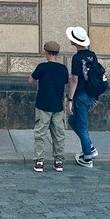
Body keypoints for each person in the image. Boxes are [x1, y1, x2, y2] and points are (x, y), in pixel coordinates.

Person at [29, 40, 68, 173]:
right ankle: (59, 161)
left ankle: (39, 161)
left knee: (40, 132)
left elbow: (31, 80)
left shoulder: (42, 67)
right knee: (58, 134)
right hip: (57, 105)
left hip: (43, 104)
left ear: (46, 52)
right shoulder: (63, 69)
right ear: (57, 53)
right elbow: (65, 83)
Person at [66, 26, 99, 168]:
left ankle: (87, 158)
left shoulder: (76, 58)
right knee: (73, 121)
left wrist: (70, 99)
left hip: (80, 96)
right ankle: (90, 147)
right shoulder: (92, 55)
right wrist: (96, 96)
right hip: (91, 94)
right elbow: (96, 76)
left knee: (82, 125)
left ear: (75, 42)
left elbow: (74, 79)